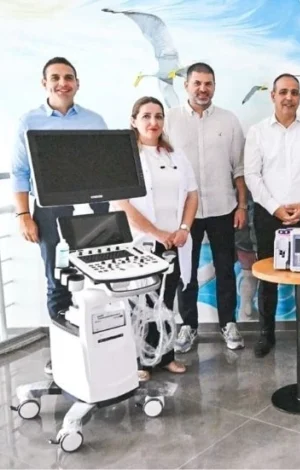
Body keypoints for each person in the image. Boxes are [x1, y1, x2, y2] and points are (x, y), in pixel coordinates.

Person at [11, 57, 109, 375]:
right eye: (55, 77)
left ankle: (98, 351)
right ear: (45, 83)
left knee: (98, 277)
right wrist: (23, 215)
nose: (62, 83)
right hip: (51, 211)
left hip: (94, 209)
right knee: (58, 281)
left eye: (68, 77)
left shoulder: (95, 121)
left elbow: (107, 167)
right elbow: (20, 172)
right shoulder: (29, 122)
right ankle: (65, 355)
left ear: (77, 83)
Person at [244, 73, 300, 358]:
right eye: (283, 92)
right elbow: (252, 176)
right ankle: (266, 333)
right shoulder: (257, 132)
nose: (288, 98)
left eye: (294, 92)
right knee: (268, 276)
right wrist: (275, 208)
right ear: (273, 96)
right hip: (268, 216)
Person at [164, 62, 248, 353]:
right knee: (185, 272)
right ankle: (188, 326)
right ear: (186, 85)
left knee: (226, 269)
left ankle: (229, 323)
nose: (203, 89)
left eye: (208, 84)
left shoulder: (229, 120)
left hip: (223, 208)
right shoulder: (170, 120)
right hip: (184, 214)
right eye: (197, 83)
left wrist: (242, 205)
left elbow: (239, 168)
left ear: (214, 86)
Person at [114, 96, 198, 381]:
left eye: (158, 116)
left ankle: (165, 356)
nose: (153, 122)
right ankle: (141, 360)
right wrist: (156, 233)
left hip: (174, 242)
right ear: (133, 121)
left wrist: (184, 228)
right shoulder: (126, 158)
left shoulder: (176, 156)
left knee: (165, 301)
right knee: (140, 303)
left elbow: (192, 194)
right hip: (142, 244)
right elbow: (123, 205)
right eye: (146, 116)